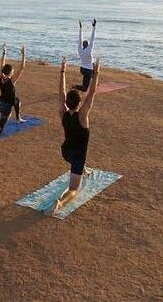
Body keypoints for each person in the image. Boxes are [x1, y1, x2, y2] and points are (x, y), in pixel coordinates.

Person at [49, 56, 101, 215]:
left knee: (77, 157)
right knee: (73, 189)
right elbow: (92, 92)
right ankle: (60, 202)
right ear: (79, 103)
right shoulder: (83, 115)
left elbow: (61, 92)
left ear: (68, 102)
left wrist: (62, 70)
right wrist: (96, 73)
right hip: (77, 157)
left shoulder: (63, 113)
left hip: (66, 152)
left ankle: (84, 170)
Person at [76, 19, 97, 91]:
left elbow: (80, 39)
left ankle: (94, 82)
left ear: (82, 45)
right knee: (84, 89)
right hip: (88, 71)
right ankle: (75, 86)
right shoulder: (89, 49)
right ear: (87, 45)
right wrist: (94, 27)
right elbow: (92, 38)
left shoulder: (80, 50)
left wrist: (80, 28)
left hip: (82, 69)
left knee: (94, 63)